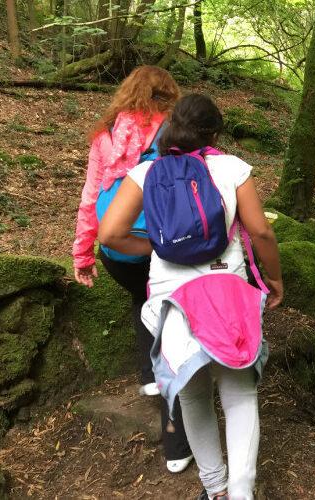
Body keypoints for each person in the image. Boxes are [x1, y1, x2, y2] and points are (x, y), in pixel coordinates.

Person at [97, 93, 283, 500]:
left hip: (172, 297)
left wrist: (156, 248)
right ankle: (241, 493)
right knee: (238, 392)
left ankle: (215, 490)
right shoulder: (232, 168)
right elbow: (261, 231)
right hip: (227, 290)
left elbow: (109, 234)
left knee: (193, 393)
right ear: (213, 134)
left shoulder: (146, 173)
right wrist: (274, 279)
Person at [71, 65, 193, 474]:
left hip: (115, 250)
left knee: (144, 298)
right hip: (157, 245)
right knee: (175, 327)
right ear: (168, 96)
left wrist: (83, 254)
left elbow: (90, 196)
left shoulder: (106, 135)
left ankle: (148, 374)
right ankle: (177, 445)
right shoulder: (174, 132)